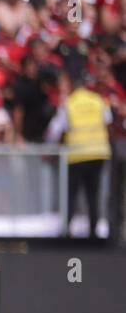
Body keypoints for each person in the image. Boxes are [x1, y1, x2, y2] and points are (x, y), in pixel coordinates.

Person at [46, 72, 113, 239]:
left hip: (76, 155)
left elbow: (55, 130)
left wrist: (51, 148)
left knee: (71, 195)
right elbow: (108, 122)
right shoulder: (98, 101)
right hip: (98, 153)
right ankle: (94, 232)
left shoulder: (69, 103)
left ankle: (67, 230)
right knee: (93, 193)